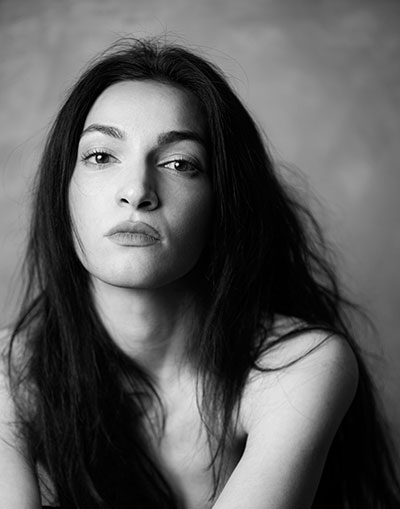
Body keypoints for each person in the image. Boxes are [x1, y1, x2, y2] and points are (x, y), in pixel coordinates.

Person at [0, 37, 399, 509]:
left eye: (179, 163)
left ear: (223, 199)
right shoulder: (11, 370)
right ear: (62, 189)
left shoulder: (296, 366)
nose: (137, 191)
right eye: (102, 156)